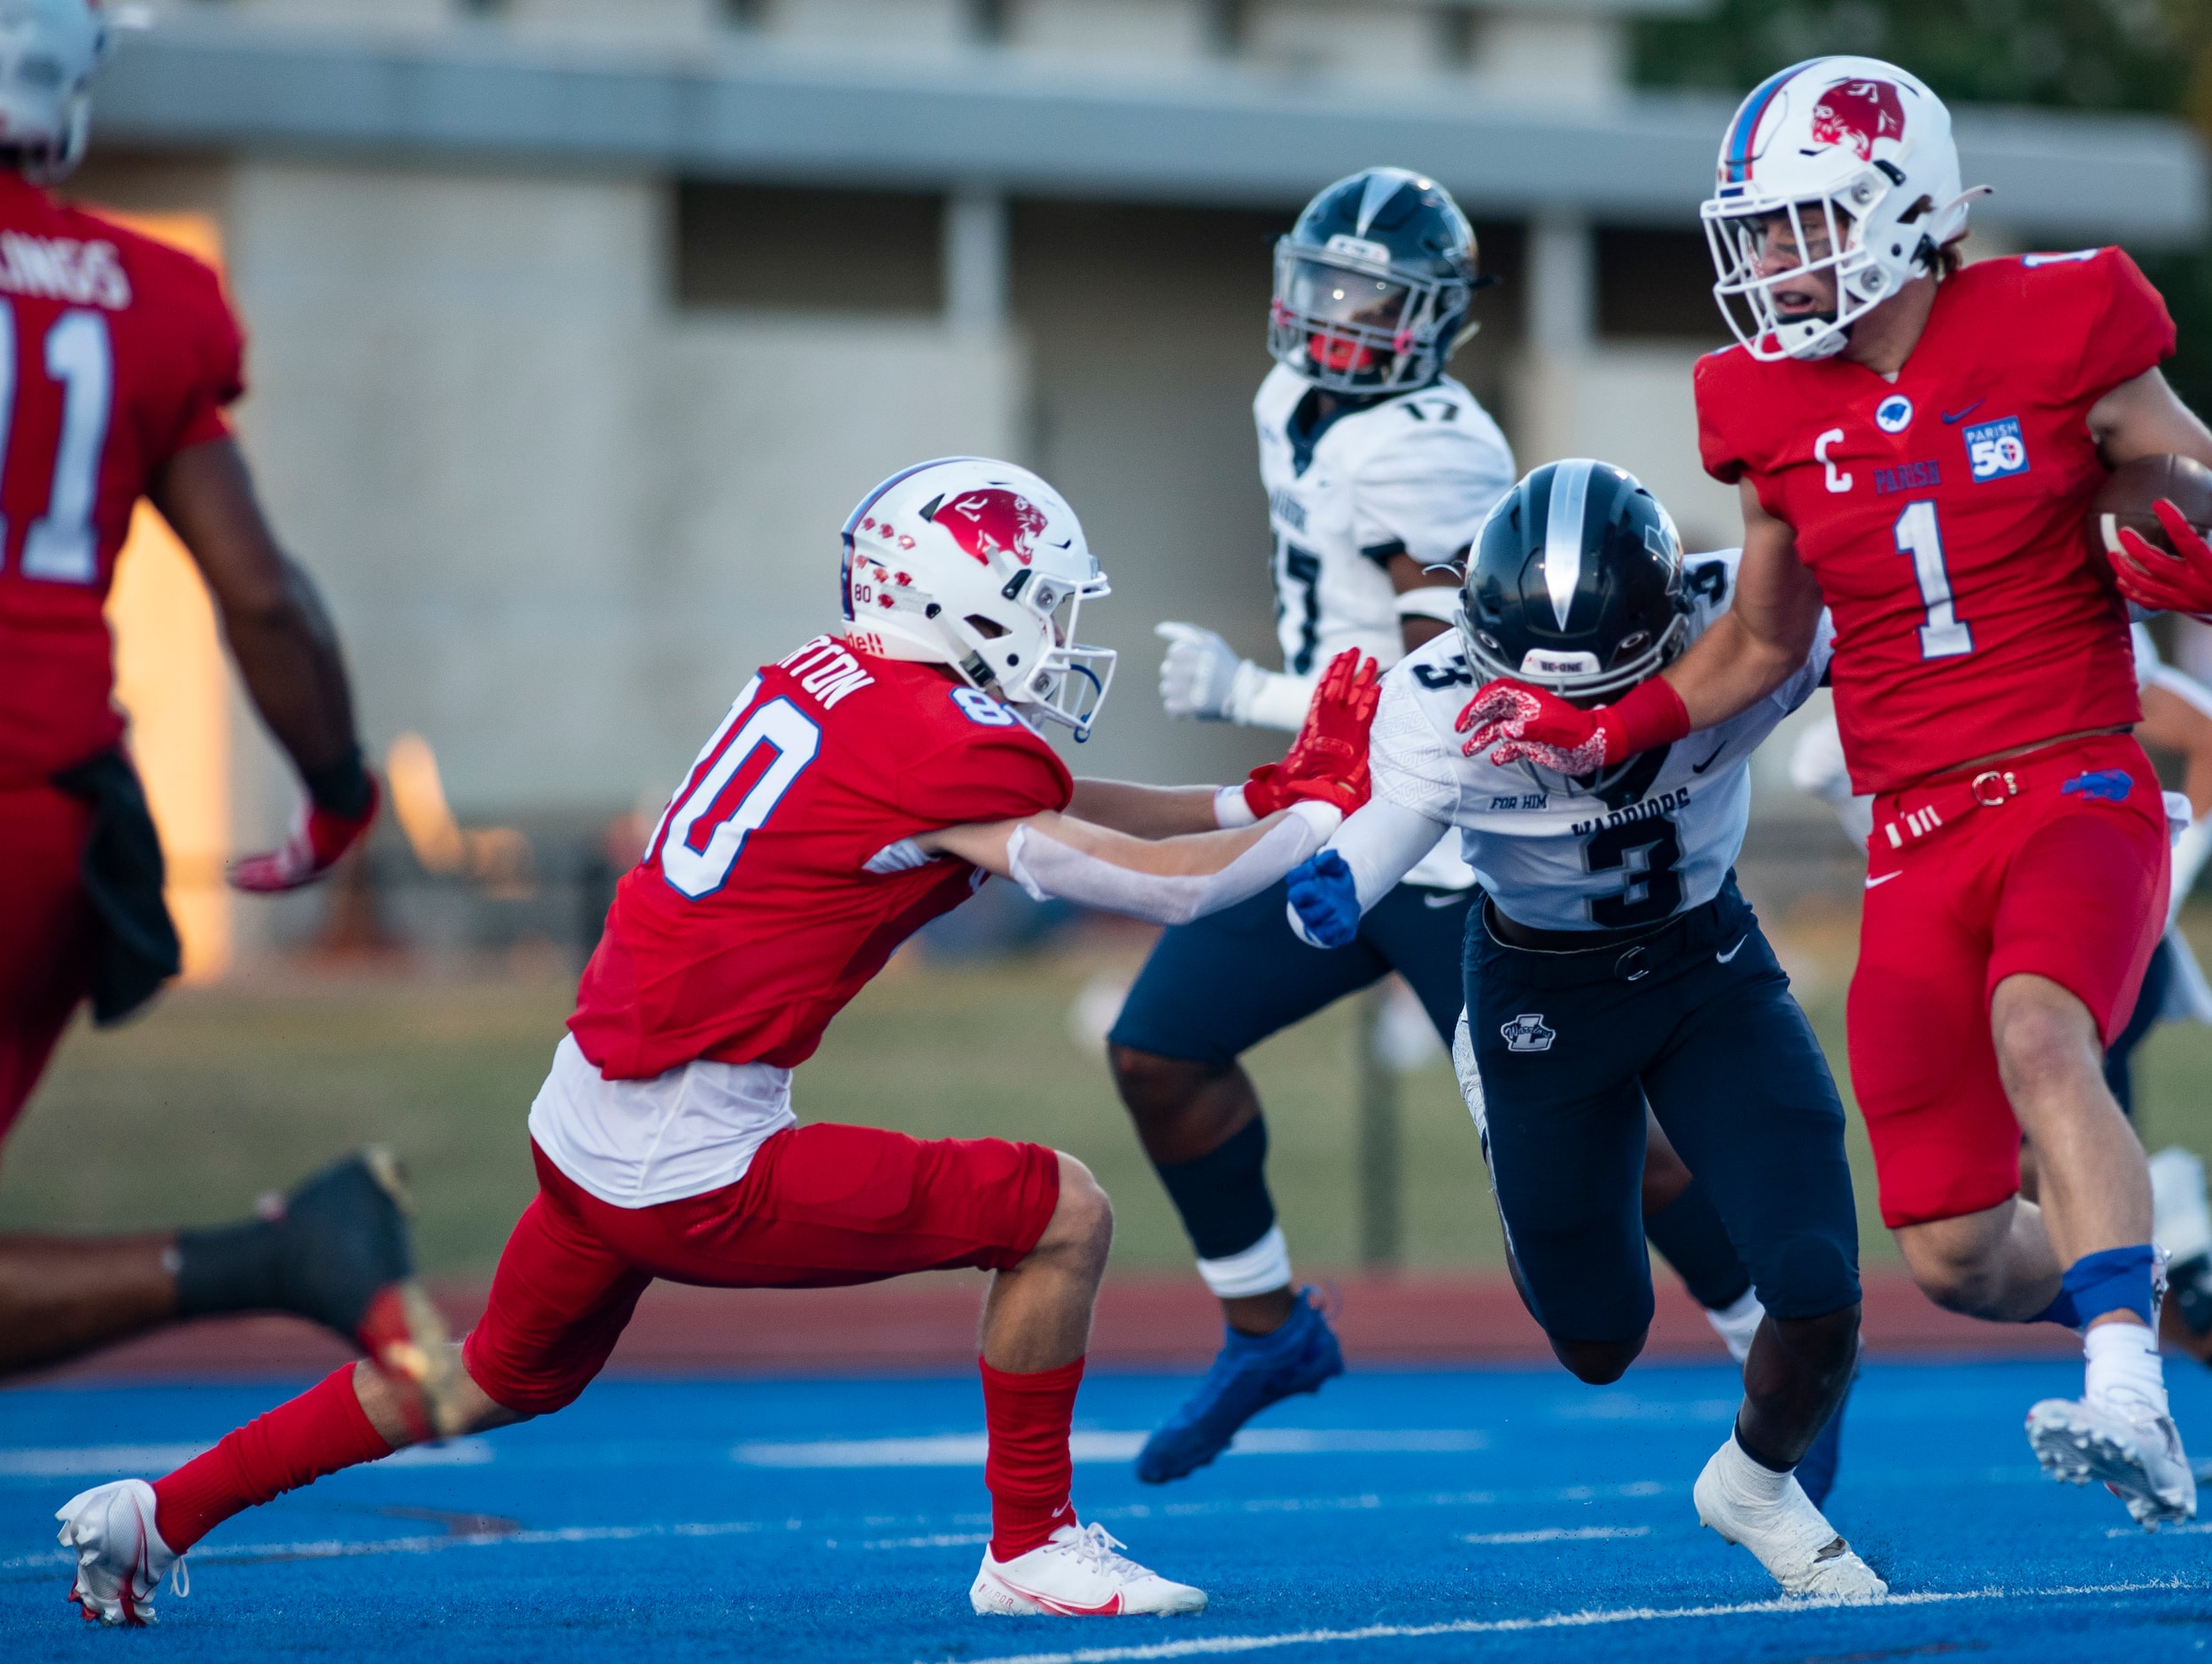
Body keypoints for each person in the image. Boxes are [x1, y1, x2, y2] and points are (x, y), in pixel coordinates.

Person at [52, 457, 1384, 1627]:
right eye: (1038, 594)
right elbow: (1164, 886)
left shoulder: (842, 683)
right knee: (1058, 1211)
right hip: (691, 1151)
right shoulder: (935, 745)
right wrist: (1327, 816)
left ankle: (156, 1514)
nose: (1051, 626)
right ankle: (1031, 1546)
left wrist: (1254, 793)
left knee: (488, 1379)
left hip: (586, 1115)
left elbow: (1043, 791)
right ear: (959, 596)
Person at [1452, 57, 2212, 1528]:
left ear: (1895, 209)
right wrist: (1595, 728)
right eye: (1750, 231)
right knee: (1942, 1246)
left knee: (2038, 1031)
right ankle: (2132, 1285)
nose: (1761, 260)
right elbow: (1759, 639)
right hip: (1915, 833)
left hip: (2072, 774)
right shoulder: (1757, 401)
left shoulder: (2063, 318)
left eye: (1792, 224)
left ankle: (2130, 1390)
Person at [1122, 167, 1797, 1491]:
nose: (1336, 318)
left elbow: (1455, 685)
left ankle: (1773, 1346)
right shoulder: (1293, 400)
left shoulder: (1432, 451)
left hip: (1444, 845)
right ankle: (1269, 1326)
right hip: (1340, 812)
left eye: (1372, 298)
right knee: (1159, 1050)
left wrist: (1248, 693)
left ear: (1438, 318)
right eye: (1321, 285)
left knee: (1614, 1146)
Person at [1286, 460, 1877, 1600]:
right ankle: (1518, 1158)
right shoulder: (1437, 692)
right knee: (1598, 1341)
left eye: (1605, 689)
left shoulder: (1752, 621)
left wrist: (2153, 576)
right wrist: (1333, 890)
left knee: (1820, 1289)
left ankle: (1754, 1488)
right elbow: (1385, 835)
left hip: (1709, 967)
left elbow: (1939, 615)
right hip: (1542, 995)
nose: (1573, 717)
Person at [0, 0, 433, 1389]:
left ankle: (280, 1257)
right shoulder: (147, 295)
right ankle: (283, 1255)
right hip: (47, 816)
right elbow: (261, 591)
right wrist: (335, 789)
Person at [1789, 618, 2212, 1482]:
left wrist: (2169, 876)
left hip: (2065, 921)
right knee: (2002, 1205)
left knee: (2051, 1143)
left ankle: (2179, 1308)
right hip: (1955, 948)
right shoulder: (1850, 673)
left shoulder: (2034, 607)